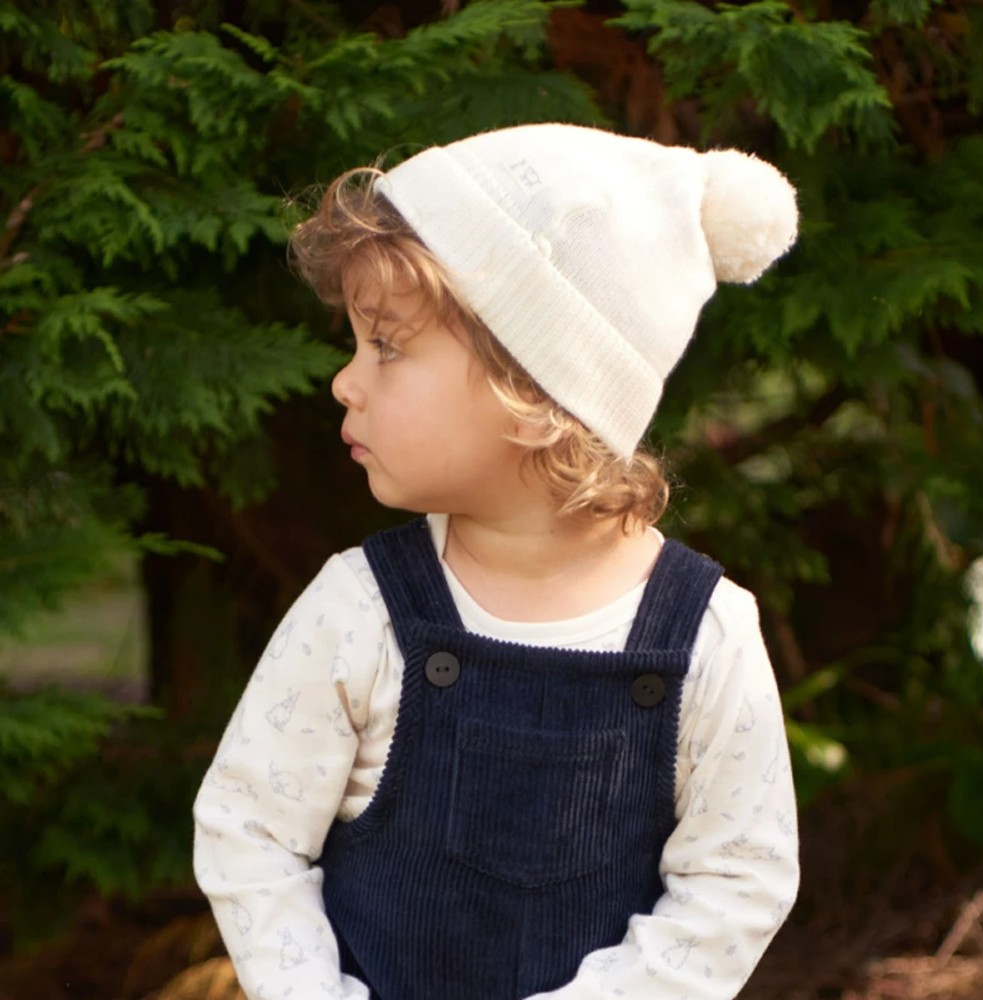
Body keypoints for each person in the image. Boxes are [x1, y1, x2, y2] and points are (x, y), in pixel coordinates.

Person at [193, 122, 801, 1000]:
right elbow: (250, 828)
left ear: (532, 394)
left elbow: (737, 878)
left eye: (388, 348)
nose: (345, 382)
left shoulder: (706, 636)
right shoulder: (361, 609)